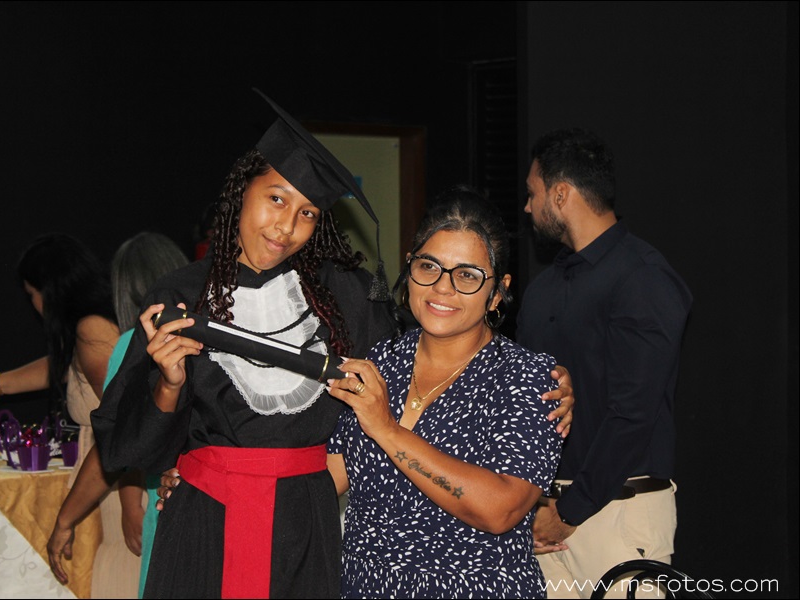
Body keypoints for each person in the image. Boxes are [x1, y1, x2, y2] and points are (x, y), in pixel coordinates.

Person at [95, 90, 574, 599]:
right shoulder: (180, 295)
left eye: (307, 213)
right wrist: (171, 398)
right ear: (241, 190)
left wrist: (554, 382)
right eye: (276, 199)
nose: (286, 227)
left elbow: (427, 361)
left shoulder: (344, 299)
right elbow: (128, 446)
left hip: (305, 534)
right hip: (207, 522)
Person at [324, 186, 564, 598]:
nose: (442, 287)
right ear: (409, 268)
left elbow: (501, 509)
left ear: (497, 291)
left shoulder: (526, 377)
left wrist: (388, 430)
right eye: (429, 266)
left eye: (467, 275)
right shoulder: (382, 361)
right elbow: (328, 478)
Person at [517, 128, 692, 598]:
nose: (528, 207)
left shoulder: (643, 278)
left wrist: (571, 509)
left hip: (618, 511)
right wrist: (532, 503)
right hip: (545, 518)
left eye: (533, 193)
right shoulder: (543, 289)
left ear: (561, 194)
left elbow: (633, 412)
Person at [0, 232, 143, 599]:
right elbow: (65, 367)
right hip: (115, 478)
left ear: (49, 290)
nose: (33, 304)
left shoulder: (92, 330)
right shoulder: (92, 326)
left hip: (121, 481)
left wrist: (128, 504)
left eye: (31, 293)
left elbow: (126, 427)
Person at [46, 231, 190, 598]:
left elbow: (116, 446)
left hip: (167, 501)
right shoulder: (210, 334)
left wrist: (65, 520)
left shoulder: (134, 345)